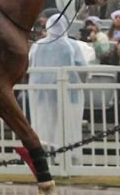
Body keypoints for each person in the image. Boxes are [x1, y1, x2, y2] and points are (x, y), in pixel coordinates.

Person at [28, 13, 88, 151]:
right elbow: (83, 68)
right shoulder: (72, 45)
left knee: (44, 122)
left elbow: (30, 65)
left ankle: (43, 152)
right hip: (68, 93)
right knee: (66, 124)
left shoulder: (38, 45)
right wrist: (81, 84)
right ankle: (68, 154)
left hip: (40, 94)